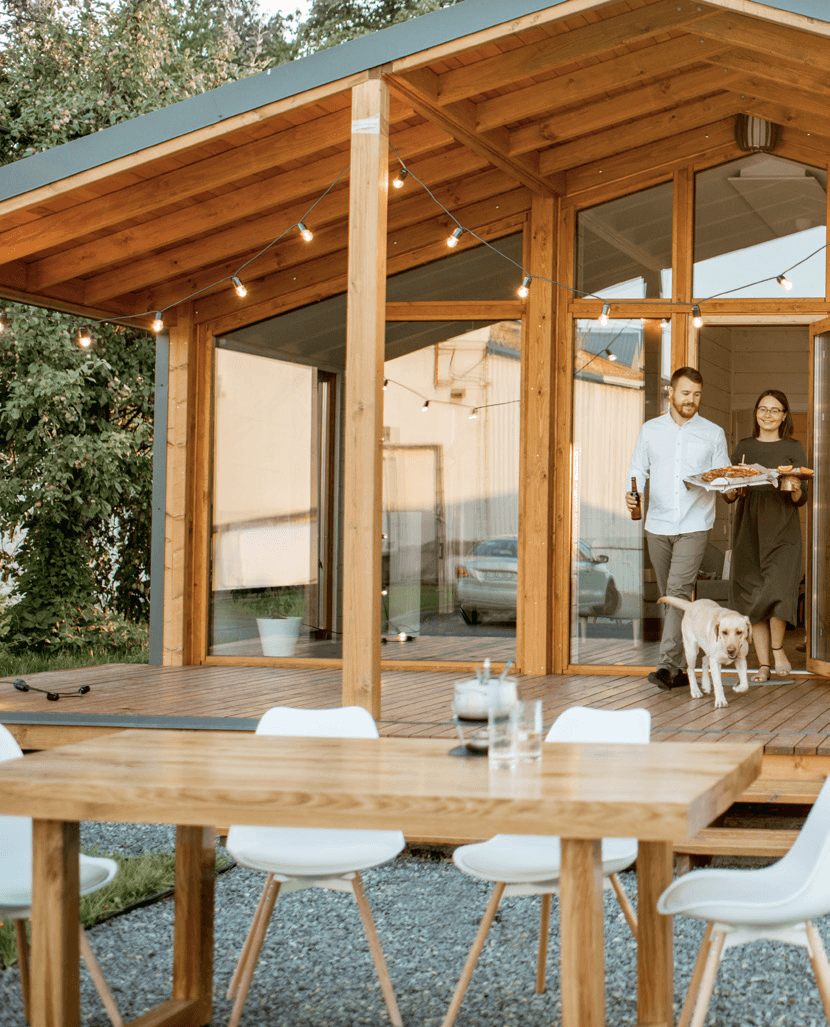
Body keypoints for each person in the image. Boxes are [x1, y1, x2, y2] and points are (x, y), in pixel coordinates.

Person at [626, 367, 730, 691]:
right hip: (656, 524)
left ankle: (667, 666)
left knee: (677, 592)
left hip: (694, 523)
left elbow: (724, 476)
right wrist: (633, 497)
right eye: (685, 393)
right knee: (671, 598)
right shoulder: (650, 430)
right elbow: (636, 469)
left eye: (697, 395)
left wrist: (731, 488)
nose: (691, 400)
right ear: (670, 393)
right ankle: (687, 667)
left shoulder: (713, 433)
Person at [725, 390, 807, 682]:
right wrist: (731, 487)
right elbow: (730, 491)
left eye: (775, 410)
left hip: (783, 525)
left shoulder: (793, 446)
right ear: (756, 413)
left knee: (778, 589)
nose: (768, 415)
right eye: (763, 409)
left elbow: (801, 496)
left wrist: (796, 485)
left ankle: (778, 650)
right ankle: (762, 664)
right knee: (752, 594)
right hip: (749, 527)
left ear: (784, 416)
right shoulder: (744, 447)